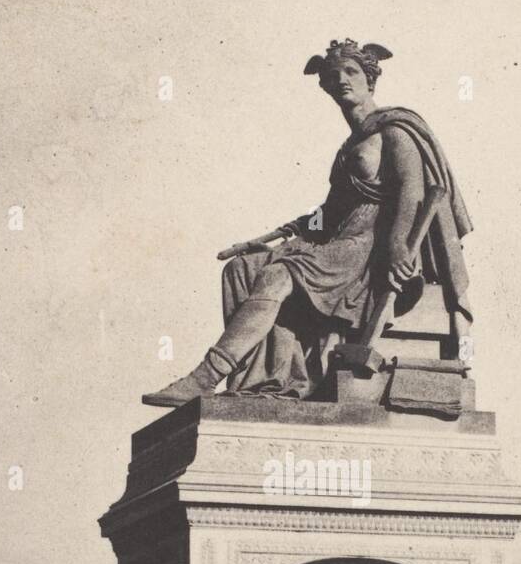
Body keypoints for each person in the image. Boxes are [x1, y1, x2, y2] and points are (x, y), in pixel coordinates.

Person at [146, 39, 474, 404]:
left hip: (369, 248)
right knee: (242, 269)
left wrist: (398, 246)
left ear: (370, 79)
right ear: (324, 85)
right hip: (337, 242)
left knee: (279, 273)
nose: (341, 80)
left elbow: (411, 193)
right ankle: (267, 381)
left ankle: (204, 377)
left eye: (351, 72)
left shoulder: (395, 130)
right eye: (333, 75)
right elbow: (326, 215)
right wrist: (270, 238)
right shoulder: (349, 147)